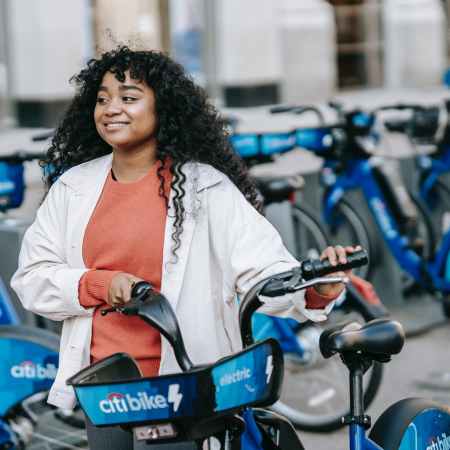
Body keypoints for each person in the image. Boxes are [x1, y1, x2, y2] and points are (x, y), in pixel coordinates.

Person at [11, 46, 357, 450]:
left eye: (128, 97)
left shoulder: (204, 188)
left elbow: (264, 273)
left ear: (164, 109)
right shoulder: (73, 188)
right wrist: (98, 284)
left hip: (185, 391)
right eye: (102, 99)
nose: (110, 109)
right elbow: (31, 279)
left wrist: (316, 289)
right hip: (107, 394)